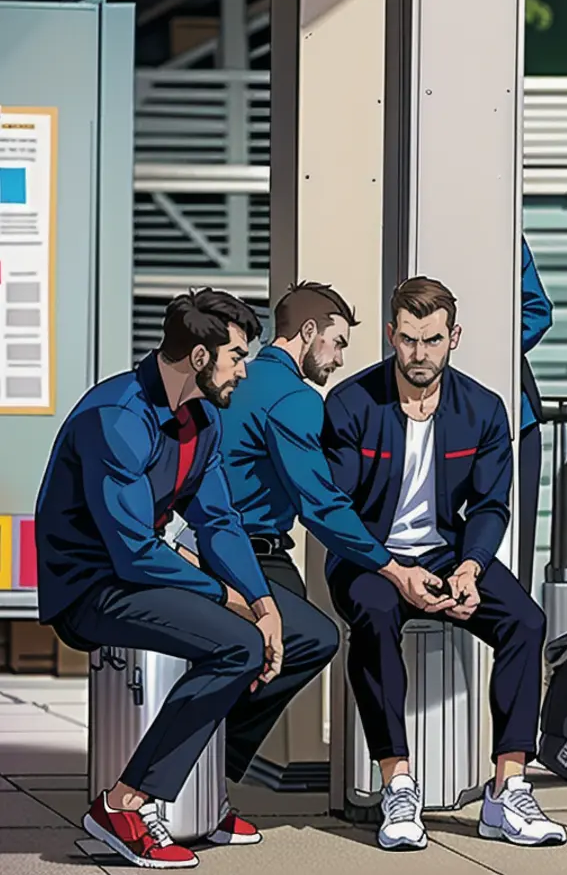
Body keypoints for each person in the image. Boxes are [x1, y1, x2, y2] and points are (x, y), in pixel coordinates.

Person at [34, 289, 339, 869]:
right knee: (238, 645)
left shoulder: (203, 414)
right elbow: (131, 554)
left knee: (308, 636)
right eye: (237, 357)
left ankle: (205, 780)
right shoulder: (117, 417)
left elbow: (218, 519)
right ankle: (124, 804)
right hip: (92, 586)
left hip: (144, 570)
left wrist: (262, 599)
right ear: (200, 358)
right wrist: (232, 600)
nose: (245, 371)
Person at [322, 275, 567, 850]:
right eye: (407, 340)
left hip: (445, 553)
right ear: (390, 335)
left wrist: (471, 569)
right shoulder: (353, 403)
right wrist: (393, 570)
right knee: (375, 617)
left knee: (525, 622)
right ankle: (398, 786)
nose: (419, 354)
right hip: (368, 557)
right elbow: (335, 510)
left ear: (453, 337)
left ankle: (508, 788)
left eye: (431, 340)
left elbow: (488, 505)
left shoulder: (482, 408)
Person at [174, 281, 414, 603]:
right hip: (251, 556)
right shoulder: (295, 398)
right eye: (337, 343)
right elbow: (319, 504)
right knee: (312, 640)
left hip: (193, 546)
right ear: (309, 330)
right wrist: (393, 569)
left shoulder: (230, 381)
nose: (340, 359)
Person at [517, 235, 553, 593]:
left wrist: (491, 347)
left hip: (517, 416)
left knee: (516, 536)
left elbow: (537, 310)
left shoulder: (501, 227)